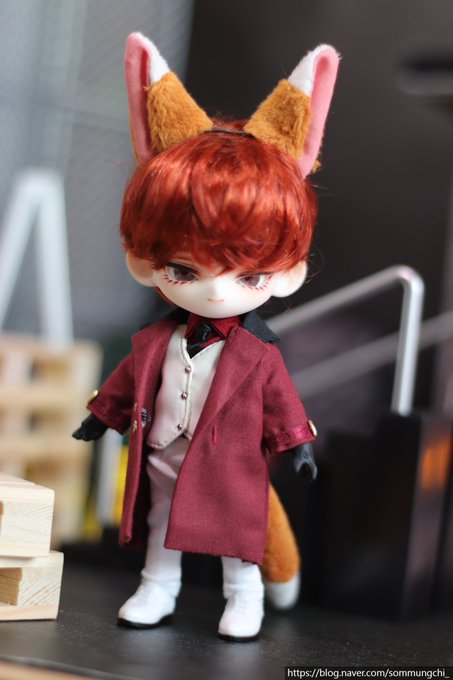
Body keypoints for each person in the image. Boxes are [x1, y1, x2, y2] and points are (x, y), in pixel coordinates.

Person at [73, 32, 339, 641]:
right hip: (162, 453)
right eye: (186, 270)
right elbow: (125, 385)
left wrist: (297, 445)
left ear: (287, 273)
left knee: (238, 534)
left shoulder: (257, 355)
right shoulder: (152, 343)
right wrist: (100, 417)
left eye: (249, 275)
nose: (217, 293)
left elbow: (283, 404)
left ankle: (245, 598)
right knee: (160, 523)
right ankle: (156, 588)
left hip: (229, 462)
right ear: (145, 261)